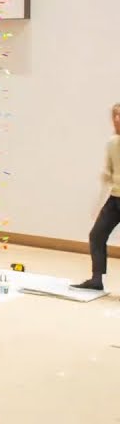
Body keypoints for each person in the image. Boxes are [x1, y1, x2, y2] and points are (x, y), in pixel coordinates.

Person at [71, 103, 120, 291]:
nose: (116, 120)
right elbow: (108, 171)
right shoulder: (112, 143)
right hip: (115, 199)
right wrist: (106, 175)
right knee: (97, 235)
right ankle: (96, 279)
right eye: (114, 116)